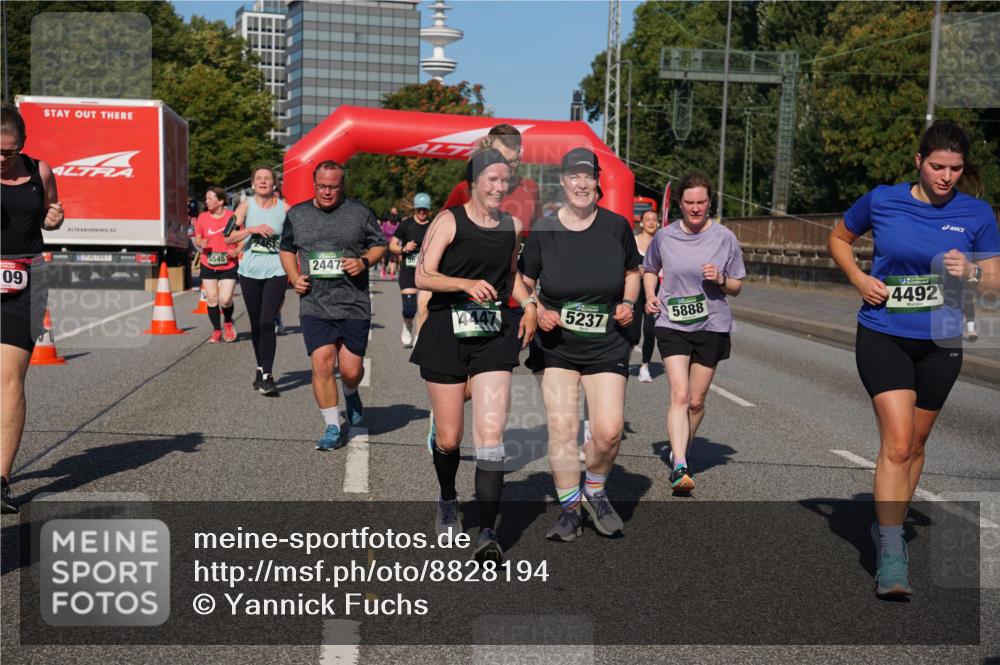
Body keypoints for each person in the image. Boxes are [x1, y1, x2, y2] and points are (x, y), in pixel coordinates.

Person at [828, 119, 1000, 597]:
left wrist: (969, 270)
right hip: (884, 332)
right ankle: (890, 549)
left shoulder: (977, 213)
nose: (947, 176)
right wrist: (860, 280)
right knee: (898, 442)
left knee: (917, 446)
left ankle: (891, 524)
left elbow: (994, 284)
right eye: (938, 166)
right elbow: (838, 239)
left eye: (956, 168)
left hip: (944, 337)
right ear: (918, 162)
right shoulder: (883, 200)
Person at [410, 147, 536, 562]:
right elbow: (422, 274)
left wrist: (531, 305)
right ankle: (447, 498)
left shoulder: (512, 225)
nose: (500, 187)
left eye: (505, 181)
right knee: (449, 437)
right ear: (474, 181)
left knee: (490, 436)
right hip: (446, 331)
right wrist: (464, 284)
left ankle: (487, 532)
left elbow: (511, 277)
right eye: (492, 180)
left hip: (492, 336)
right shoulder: (449, 220)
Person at [520, 147, 641, 541]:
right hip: (556, 343)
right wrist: (536, 307)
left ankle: (595, 487)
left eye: (588, 176)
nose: (582, 183)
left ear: (597, 182)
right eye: (574, 176)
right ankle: (570, 509)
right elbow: (523, 281)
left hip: (607, 341)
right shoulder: (544, 229)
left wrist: (627, 301)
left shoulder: (616, 226)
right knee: (563, 426)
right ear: (564, 181)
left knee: (607, 432)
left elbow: (632, 271)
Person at [643, 172, 745, 495]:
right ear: (680, 204)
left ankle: (680, 447)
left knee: (697, 402)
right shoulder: (665, 236)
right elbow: (649, 268)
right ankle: (681, 465)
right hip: (672, 322)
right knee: (680, 394)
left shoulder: (725, 238)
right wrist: (649, 294)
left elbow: (737, 286)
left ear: (709, 202)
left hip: (712, 324)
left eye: (701, 202)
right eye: (689, 202)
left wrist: (720, 279)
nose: (696, 208)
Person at [279, 161, 387, 451]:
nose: (327, 192)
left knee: (350, 370)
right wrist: (293, 277)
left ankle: (351, 392)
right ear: (314, 185)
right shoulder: (297, 214)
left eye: (333, 187)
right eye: (322, 186)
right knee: (323, 363)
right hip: (315, 303)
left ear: (342, 186)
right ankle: (331, 425)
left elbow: (380, 245)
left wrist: (363, 261)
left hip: (353, 302)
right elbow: (287, 248)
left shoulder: (360, 213)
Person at [1, 102, 64, 513]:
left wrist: (55, 218)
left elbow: (51, 213)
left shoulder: (40, 171)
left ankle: (1, 478)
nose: (3, 159)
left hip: (26, 278)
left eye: (9, 152)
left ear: (22, 144)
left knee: (9, 377)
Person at [227, 166, 289, 396]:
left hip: (277, 271)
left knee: (266, 321)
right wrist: (251, 229)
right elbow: (227, 237)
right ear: (253, 184)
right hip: (250, 272)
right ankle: (260, 366)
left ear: (274, 184)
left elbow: (298, 236)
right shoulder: (245, 206)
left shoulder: (285, 209)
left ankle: (267, 375)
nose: (263, 182)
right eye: (259, 179)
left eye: (268, 178)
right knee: (255, 324)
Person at [194, 186, 240, 343]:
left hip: (228, 264)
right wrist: (202, 242)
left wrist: (237, 250)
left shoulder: (232, 217)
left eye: (210, 198)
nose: (207, 201)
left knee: (225, 300)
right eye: (206, 199)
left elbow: (242, 237)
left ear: (220, 201)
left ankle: (228, 322)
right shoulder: (202, 217)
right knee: (212, 299)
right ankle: (216, 331)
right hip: (208, 262)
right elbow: (197, 238)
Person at [391, 193, 433, 347]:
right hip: (408, 270)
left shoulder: (433, 225)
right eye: (419, 209)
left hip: (427, 271)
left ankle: (418, 337)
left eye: (425, 210)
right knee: (410, 308)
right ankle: (408, 324)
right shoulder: (406, 224)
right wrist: (403, 248)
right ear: (415, 208)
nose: (422, 212)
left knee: (424, 306)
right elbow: (392, 245)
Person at [629, 208, 661, 383]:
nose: (650, 222)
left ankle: (644, 367)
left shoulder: (661, 243)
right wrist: (635, 270)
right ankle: (624, 358)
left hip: (654, 293)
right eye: (647, 219)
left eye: (654, 219)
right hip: (634, 291)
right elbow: (623, 264)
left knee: (650, 330)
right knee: (633, 333)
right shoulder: (632, 242)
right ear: (641, 223)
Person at [380, 214, 400, 279]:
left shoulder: (397, 225)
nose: (394, 223)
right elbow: (381, 234)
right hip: (385, 244)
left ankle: (392, 275)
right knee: (385, 260)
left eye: (395, 221)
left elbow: (399, 235)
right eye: (393, 222)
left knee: (392, 260)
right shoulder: (385, 225)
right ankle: (383, 269)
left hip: (393, 245)